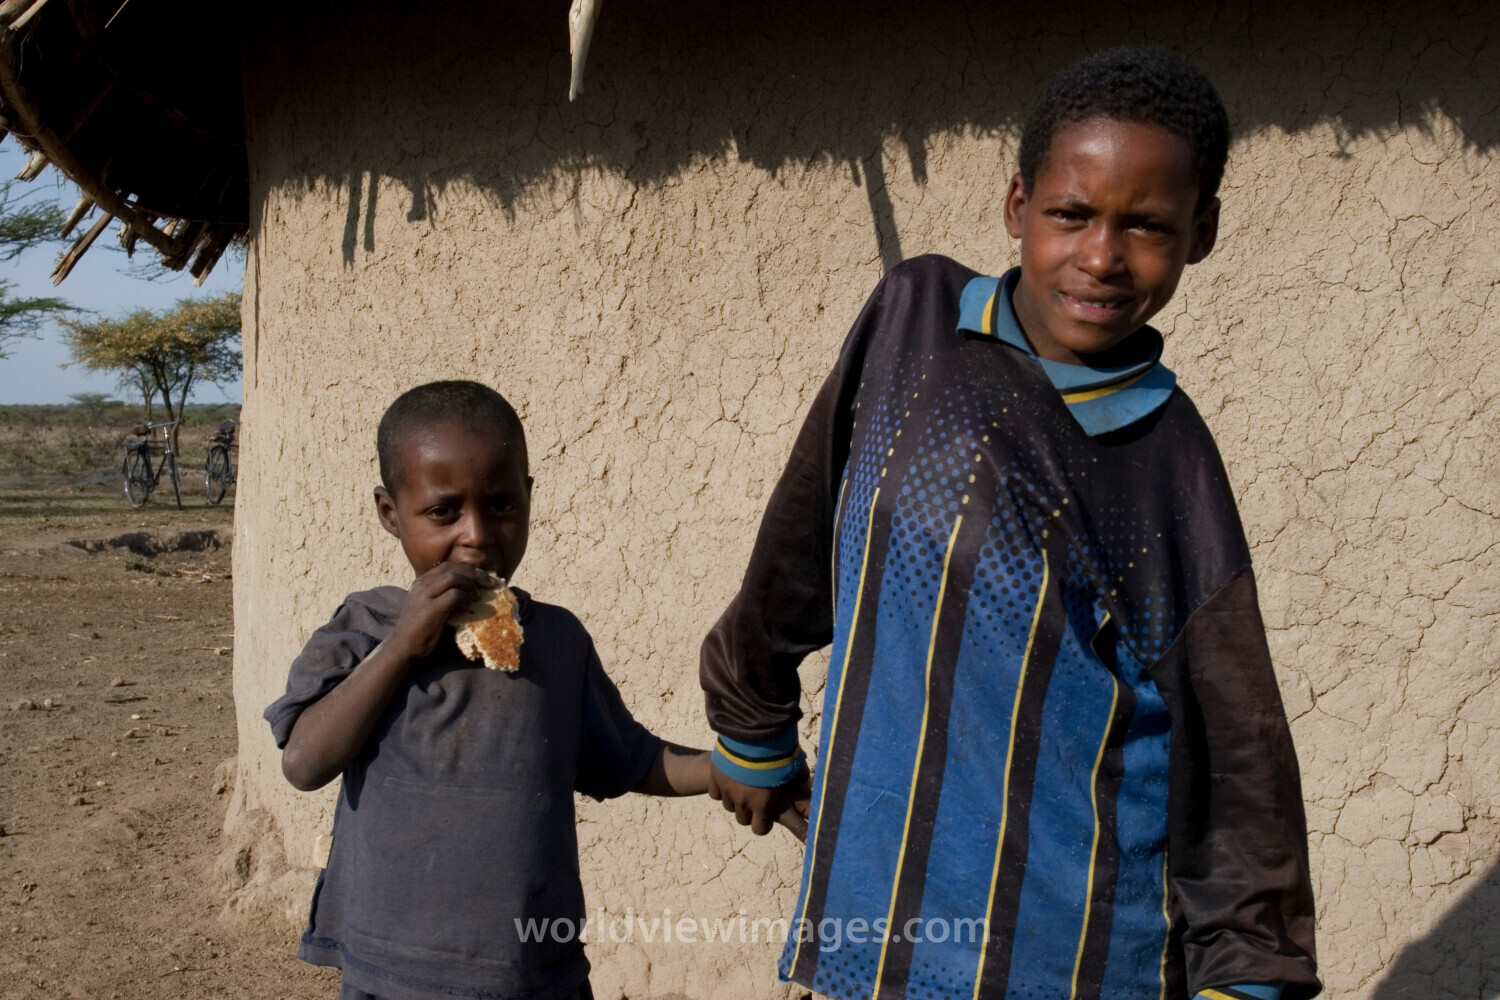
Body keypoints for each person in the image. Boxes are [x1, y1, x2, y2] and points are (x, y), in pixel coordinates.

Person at [700, 47, 1320, 1000]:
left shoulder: (1166, 465)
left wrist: (1249, 969)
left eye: (1147, 225)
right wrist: (753, 720)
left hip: (1068, 956)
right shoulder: (914, 322)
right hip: (877, 924)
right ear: (1017, 204)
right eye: (1071, 213)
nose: (1103, 256)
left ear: (1202, 233)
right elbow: (801, 538)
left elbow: (1232, 749)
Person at [266, 381, 798, 1000]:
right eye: (443, 511)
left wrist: (729, 770)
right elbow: (304, 762)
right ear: (391, 513)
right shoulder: (363, 628)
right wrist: (404, 646)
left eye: (500, 505)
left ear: (528, 499)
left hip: (533, 972)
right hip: (394, 974)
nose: (476, 534)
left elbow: (630, 758)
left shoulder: (558, 643)